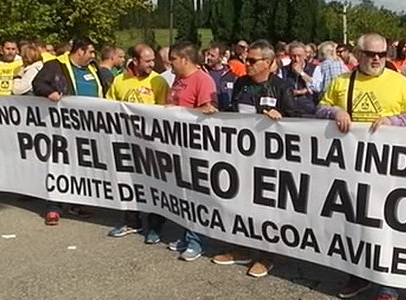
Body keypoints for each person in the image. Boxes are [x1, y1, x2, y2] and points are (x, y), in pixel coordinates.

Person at [316, 32, 406, 300]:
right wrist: (335, 111)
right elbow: (320, 108)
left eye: (382, 54)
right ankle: (359, 274)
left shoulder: (399, 81)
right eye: (371, 54)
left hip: (390, 169)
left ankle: (388, 287)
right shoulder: (341, 81)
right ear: (358, 54)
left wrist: (392, 121)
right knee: (355, 221)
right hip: (351, 167)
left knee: (387, 224)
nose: (377, 59)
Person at [211, 40, 299, 277]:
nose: (246, 64)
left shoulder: (282, 87)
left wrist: (282, 117)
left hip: (271, 161)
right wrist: (214, 113)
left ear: (269, 63)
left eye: (252, 60)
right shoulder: (241, 83)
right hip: (243, 158)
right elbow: (233, 114)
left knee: (266, 208)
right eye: (246, 59)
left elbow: (298, 121)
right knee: (241, 203)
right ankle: (243, 247)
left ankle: (266, 255)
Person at [32, 38, 110, 225]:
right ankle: (53, 206)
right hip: (64, 125)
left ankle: (77, 202)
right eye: (90, 52)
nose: (93, 56)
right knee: (60, 164)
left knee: (83, 165)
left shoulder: (93, 68)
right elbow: (37, 83)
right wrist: (48, 92)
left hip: (90, 125)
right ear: (80, 51)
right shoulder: (55, 65)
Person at [105, 43, 170, 244]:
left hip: (152, 144)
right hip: (125, 142)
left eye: (153, 60)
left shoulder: (158, 81)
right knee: (127, 181)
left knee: (154, 185)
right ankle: (132, 221)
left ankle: (155, 227)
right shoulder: (118, 81)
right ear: (135, 60)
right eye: (148, 60)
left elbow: (166, 112)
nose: (152, 64)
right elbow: (108, 107)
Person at [164, 42, 218, 261]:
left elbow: (209, 110)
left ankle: (196, 240)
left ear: (185, 59)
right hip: (175, 144)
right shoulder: (178, 79)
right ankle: (185, 233)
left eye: (173, 60)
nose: (170, 64)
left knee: (195, 194)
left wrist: (179, 112)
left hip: (194, 146)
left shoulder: (202, 80)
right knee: (180, 191)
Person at [278, 42, 319, 117]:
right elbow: (279, 88)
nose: (296, 59)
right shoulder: (283, 70)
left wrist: (302, 73)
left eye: (299, 56)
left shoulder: (315, 69)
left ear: (305, 56)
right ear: (289, 56)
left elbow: (317, 88)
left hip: (308, 110)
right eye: (293, 56)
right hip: (288, 110)